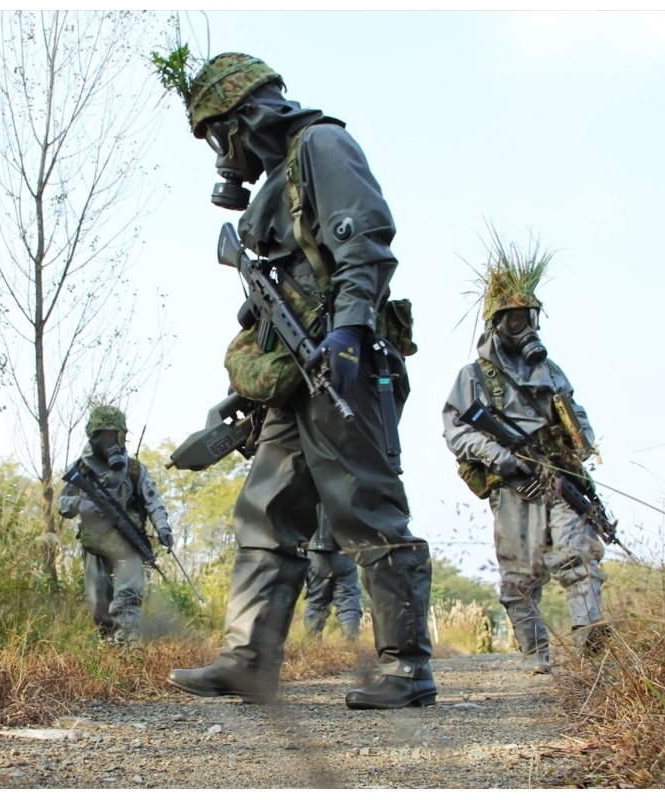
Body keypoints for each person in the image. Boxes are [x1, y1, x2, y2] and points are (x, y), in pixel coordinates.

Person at [156, 51, 436, 709]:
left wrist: (349, 330)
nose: (222, 157)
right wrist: (250, 382)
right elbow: (277, 295)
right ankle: (249, 660)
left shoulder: (322, 146)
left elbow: (365, 243)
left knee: (365, 506)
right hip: (292, 372)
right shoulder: (278, 180)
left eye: (218, 137)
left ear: (243, 119)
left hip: (341, 364)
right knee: (266, 509)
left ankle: (407, 668)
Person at [441, 239, 608, 675]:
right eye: (514, 319)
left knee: (579, 557)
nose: (523, 327)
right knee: (520, 576)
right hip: (515, 484)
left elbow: (578, 419)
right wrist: (501, 457)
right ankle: (536, 656)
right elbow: (457, 430)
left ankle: (591, 647)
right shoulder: (474, 376)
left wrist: (579, 445)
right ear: (497, 324)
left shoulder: (551, 372)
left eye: (528, 318)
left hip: (559, 477)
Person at [58, 405, 174, 644]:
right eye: (108, 436)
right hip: (95, 542)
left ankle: (129, 646)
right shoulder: (81, 469)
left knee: (129, 596)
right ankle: (109, 643)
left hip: (128, 541)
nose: (113, 443)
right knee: (98, 602)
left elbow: (153, 501)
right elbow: (63, 504)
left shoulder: (134, 470)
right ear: (95, 437)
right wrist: (82, 504)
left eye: (118, 436)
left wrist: (162, 527)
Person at [302, 508, 363, 642]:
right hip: (345, 549)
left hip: (315, 551)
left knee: (316, 603)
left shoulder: (308, 494)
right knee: (348, 601)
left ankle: (311, 646)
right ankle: (351, 647)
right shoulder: (348, 492)